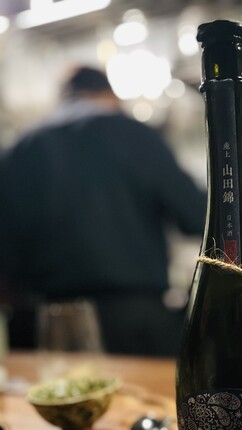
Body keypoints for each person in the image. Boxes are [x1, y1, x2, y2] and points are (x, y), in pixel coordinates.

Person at [0, 65, 206, 357]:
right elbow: (197, 216)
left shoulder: (20, 148)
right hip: (132, 322)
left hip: (43, 323)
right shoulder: (134, 135)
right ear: (110, 96)